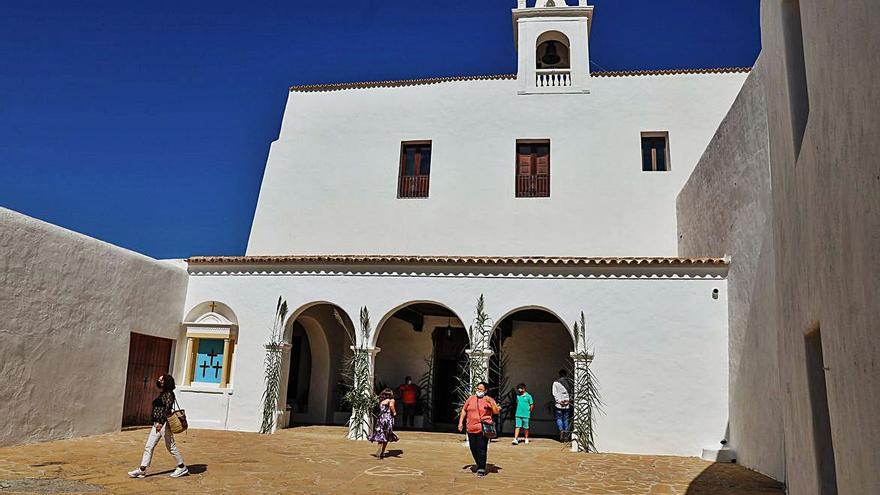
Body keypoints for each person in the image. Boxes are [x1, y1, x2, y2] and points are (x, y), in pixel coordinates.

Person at [128, 374, 188, 479]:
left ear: (167, 381)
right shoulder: (163, 393)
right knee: (149, 446)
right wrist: (157, 423)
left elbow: (167, 410)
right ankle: (142, 469)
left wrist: (161, 422)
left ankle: (182, 467)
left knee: (171, 447)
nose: (159, 380)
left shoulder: (169, 394)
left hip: (163, 424)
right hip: (157, 424)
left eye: (162, 379)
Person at [458, 382, 501, 477]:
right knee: (473, 448)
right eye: (477, 389)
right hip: (470, 428)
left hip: (483, 429)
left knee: (481, 448)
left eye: (481, 389)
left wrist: (491, 401)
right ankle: (479, 463)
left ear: (485, 390)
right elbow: (464, 410)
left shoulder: (488, 399)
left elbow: (496, 411)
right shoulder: (471, 398)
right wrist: (460, 422)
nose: (478, 391)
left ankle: (481, 467)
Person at [369, 388, 399, 458]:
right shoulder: (391, 400)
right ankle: (382, 451)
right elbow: (391, 406)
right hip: (388, 419)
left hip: (381, 418)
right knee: (387, 435)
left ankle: (379, 446)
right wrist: (394, 412)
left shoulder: (381, 401)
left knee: (380, 433)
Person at [552, 369, 572, 442]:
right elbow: (572, 392)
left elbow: (554, 394)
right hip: (567, 404)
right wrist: (568, 400)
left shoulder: (556, 383)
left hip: (559, 405)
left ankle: (561, 430)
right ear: (566, 374)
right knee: (566, 419)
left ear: (559, 374)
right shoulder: (569, 382)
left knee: (559, 418)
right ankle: (566, 433)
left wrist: (560, 401)